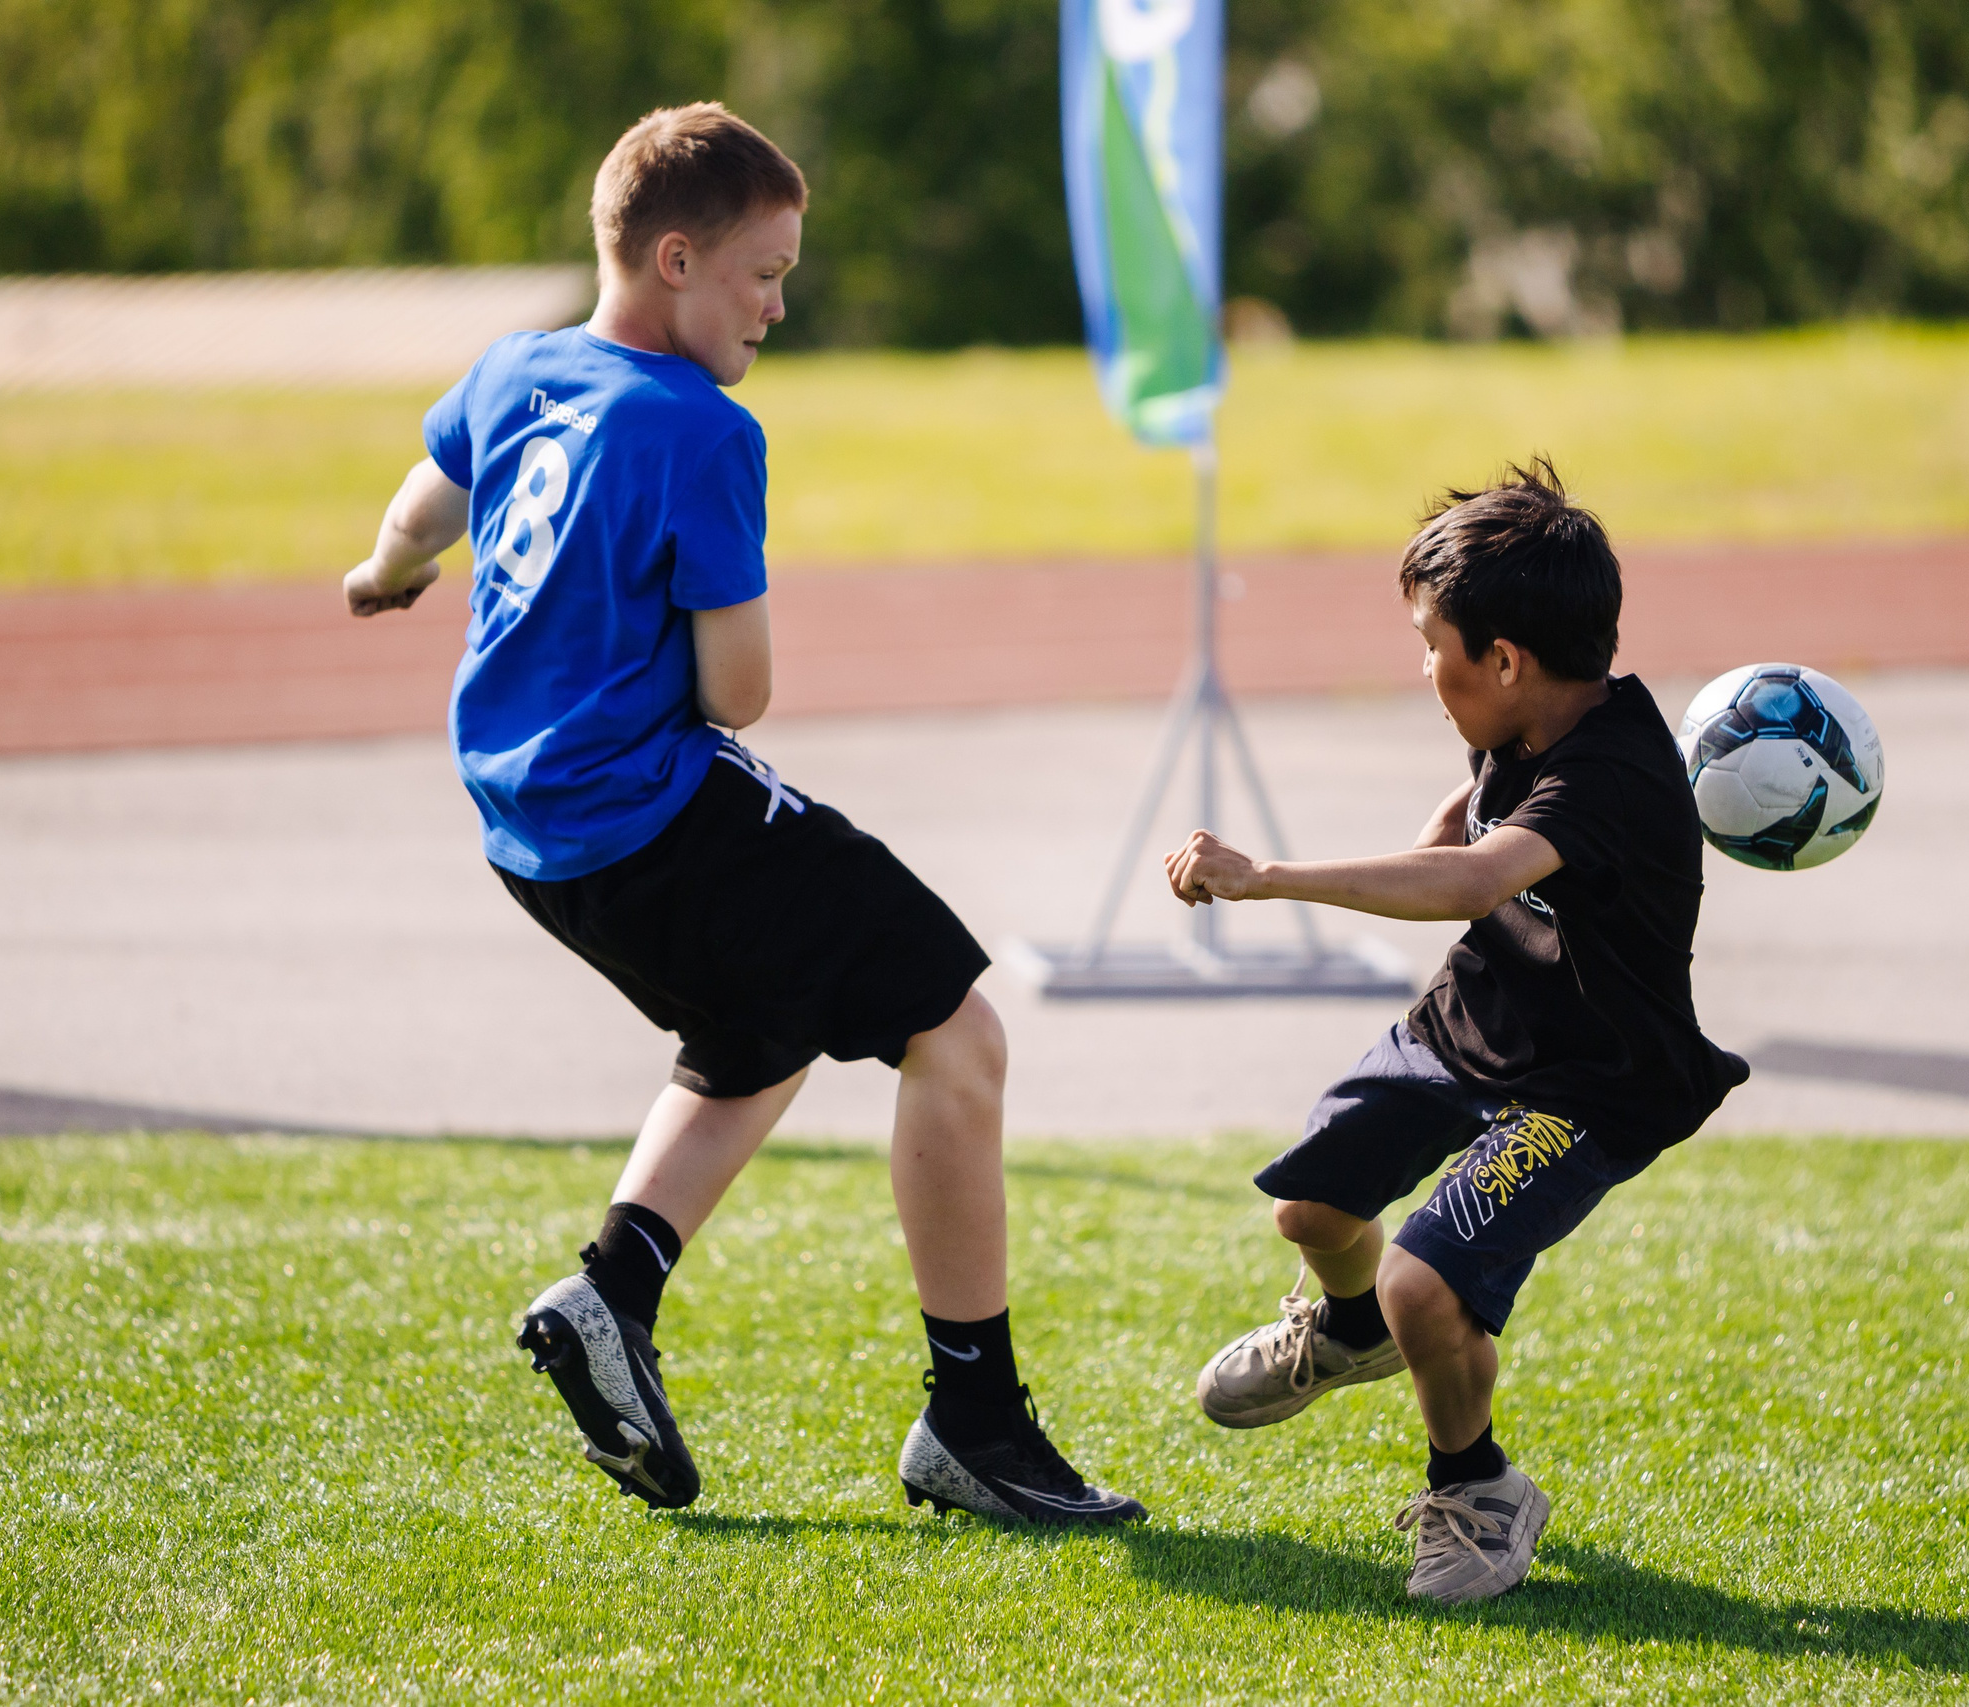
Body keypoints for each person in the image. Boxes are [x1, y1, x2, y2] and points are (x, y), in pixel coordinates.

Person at [342, 101, 1141, 1527]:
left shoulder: (516, 369)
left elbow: (422, 505)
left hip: (531, 837)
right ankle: (973, 1418)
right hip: (654, 810)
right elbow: (740, 693)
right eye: (763, 273)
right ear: (672, 259)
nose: (779, 303)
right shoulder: (701, 428)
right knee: (956, 1029)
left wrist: (386, 573)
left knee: (764, 1020)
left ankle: (613, 1292)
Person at [1162, 462, 1747, 1602]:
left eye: (1431, 644)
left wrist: (1265, 877)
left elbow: (1478, 873)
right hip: (1468, 1024)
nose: (1423, 670)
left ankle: (1478, 1492)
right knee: (1314, 1209)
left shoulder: (1609, 777)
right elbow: (1468, 818)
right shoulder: (1531, 711)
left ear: (1505, 659)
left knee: (1424, 1283)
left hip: (1583, 1089)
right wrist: (1427, 840)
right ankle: (1342, 1329)